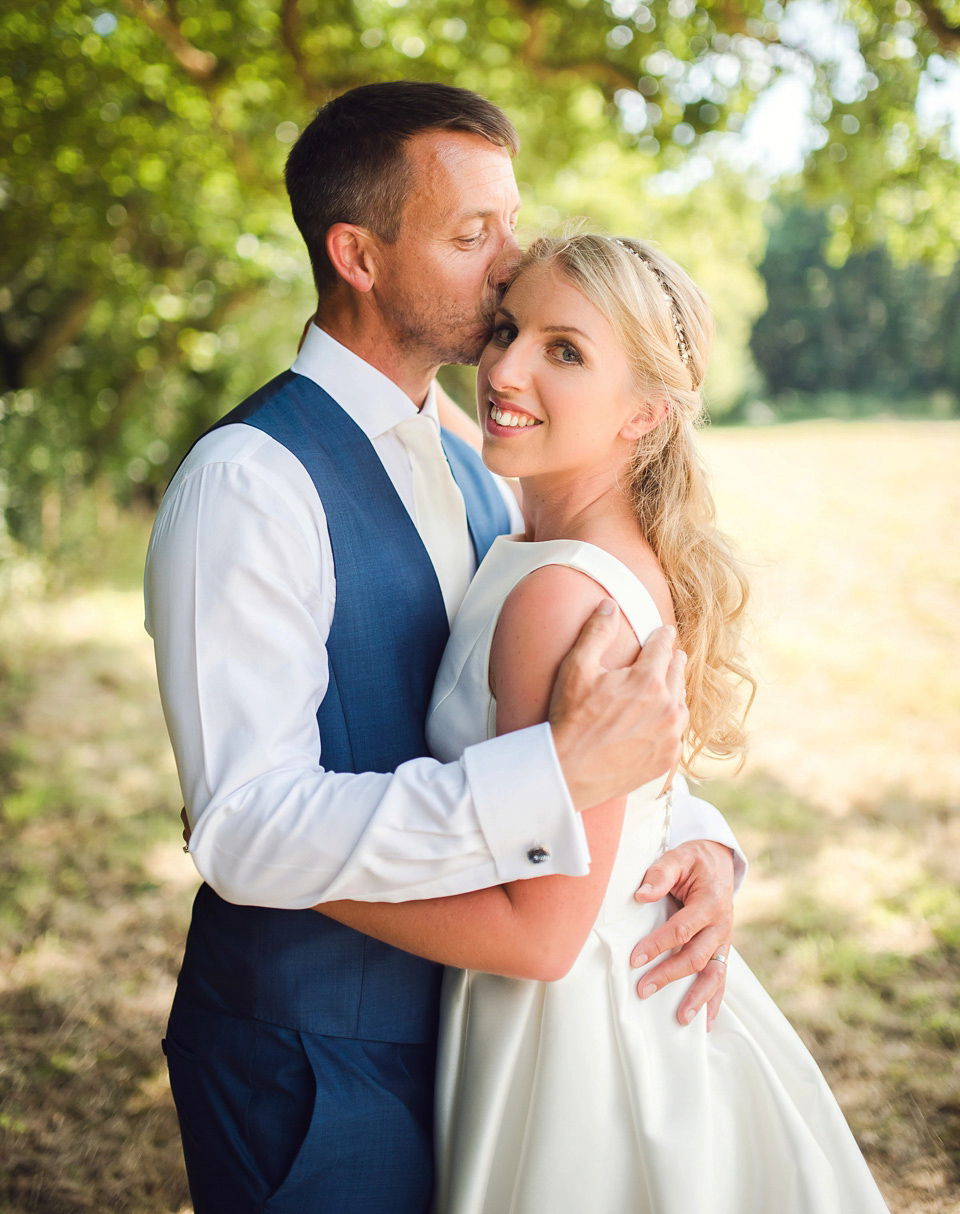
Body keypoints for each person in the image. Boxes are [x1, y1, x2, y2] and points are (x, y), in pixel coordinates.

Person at [145, 82, 745, 1214]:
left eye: (507, 226)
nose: (510, 263)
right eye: (474, 236)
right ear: (360, 256)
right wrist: (559, 779)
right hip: (311, 1061)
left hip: (477, 1040)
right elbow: (244, 821)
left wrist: (697, 848)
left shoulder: (479, 461)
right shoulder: (249, 483)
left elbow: (532, 705)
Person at [318, 231, 889, 1213]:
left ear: (645, 415)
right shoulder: (551, 534)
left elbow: (542, 936)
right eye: (506, 329)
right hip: (600, 986)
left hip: (574, 1033)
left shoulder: (558, 595)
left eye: (565, 351)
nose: (505, 365)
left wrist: (302, 878)